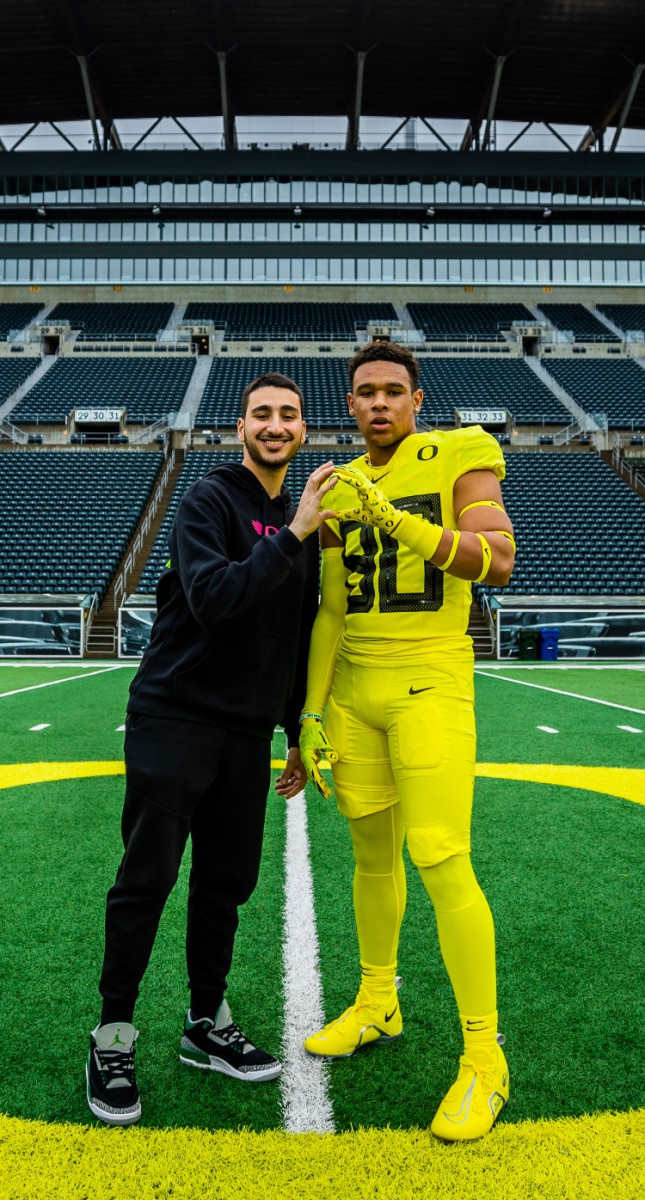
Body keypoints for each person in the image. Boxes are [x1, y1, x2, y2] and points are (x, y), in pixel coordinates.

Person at [87, 372, 337, 1126]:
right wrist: (294, 532)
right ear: (240, 427)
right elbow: (218, 601)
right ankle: (113, 1034)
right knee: (148, 879)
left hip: (243, 731)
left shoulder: (302, 518)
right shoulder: (208, 501)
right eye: (261, 413)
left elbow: (293, 638)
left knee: (225, 883)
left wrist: (296, 730)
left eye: (288, 415)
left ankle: (205, 1022)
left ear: (302, 431)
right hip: (175, 714)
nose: (274, 425)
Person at [299, 342, 516, 1141]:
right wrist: (312, 713)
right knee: (369, 855)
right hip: (354, 691)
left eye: (394, 391)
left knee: (438, 854)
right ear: (349, 405)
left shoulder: (459, 453)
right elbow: (328, 610)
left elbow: (496, 560)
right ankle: (376, 1000)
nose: (379, 403)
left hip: (430, 681)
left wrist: (397, 521)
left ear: (417, 400)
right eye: (365, 393)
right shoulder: (336, 483)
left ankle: (483, 1059)